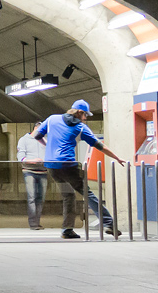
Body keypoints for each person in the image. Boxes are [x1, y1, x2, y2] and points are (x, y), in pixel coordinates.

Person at [34, 99, 126, 239]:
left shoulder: (52, 119)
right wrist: (116, 157)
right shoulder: (81, 128)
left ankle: (67, 229)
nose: (85, 118)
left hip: (53, 167)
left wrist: (47, 146)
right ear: (80, 112)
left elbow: (37, 135)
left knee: (68, 195)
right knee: (87, 193)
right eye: (85, 115)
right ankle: (109, 223)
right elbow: (99, 146)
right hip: (68, 167)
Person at [17, 126, 49, 230]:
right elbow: (20, 157)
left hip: (43, 171)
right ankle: (33, 223)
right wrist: (33, 161)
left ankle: (37, 221)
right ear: (36, 128)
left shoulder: (45, 140)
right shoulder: (24, 140)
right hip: (29, 170)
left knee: (41, 198)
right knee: (32, 197)